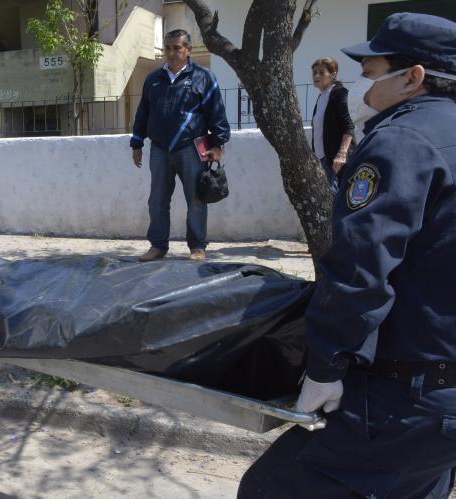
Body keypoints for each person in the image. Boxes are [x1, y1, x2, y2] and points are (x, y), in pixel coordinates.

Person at [238, 12, 456, 499]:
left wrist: (326, 366)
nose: (363, 83)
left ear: (414, 76)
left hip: (405, 395)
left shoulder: (403, 140)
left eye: (372, 70)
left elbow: (360, 266)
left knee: (269, 489)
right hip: (443, 402)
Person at [130, 29, 231, 262]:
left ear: (188, 50)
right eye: (168, 48)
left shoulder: (204, 78)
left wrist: (218, 144)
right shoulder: (153, 79)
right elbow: (143, 113)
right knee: (157, 200)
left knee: (196, 199)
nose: (172, 53)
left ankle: (197, 247)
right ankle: (157, 246)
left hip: (191, 148)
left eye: (177, 48)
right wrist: (137, 143)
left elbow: (217, 113)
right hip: (159, 149)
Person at [310, 57, 355, 193]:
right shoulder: (322, 96)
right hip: (323, 159)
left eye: (321, 72)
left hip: (335, 160)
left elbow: (348, 126)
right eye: (314, 72)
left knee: (332, 201)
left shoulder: (339, 93)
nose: (316, 76)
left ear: (333, 74)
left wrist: (341, 154)